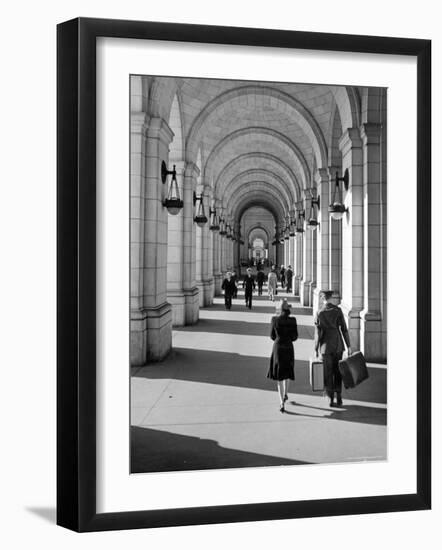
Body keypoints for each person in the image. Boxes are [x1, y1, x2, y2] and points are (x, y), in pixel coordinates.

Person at [314, 290, 352, 407]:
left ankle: (330, 398)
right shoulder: (338, 310)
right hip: (338, 345)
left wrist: (316, 348)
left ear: (323, 298)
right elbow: (344, 329)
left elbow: (318, 334)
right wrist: (349, 346)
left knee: (328, 372)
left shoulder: (319, 313)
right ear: (331, 298)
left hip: (326, 347)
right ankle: (339, 396)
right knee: (338, 371)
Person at [267, 299, 298, 412]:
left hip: (278, 347)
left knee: (279, 375)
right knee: (288, 371)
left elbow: (272, 336)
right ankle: (286, 393)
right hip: (288, 347)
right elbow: (295, 337)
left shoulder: (274, 320)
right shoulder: (293, 320)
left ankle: (281, 402)